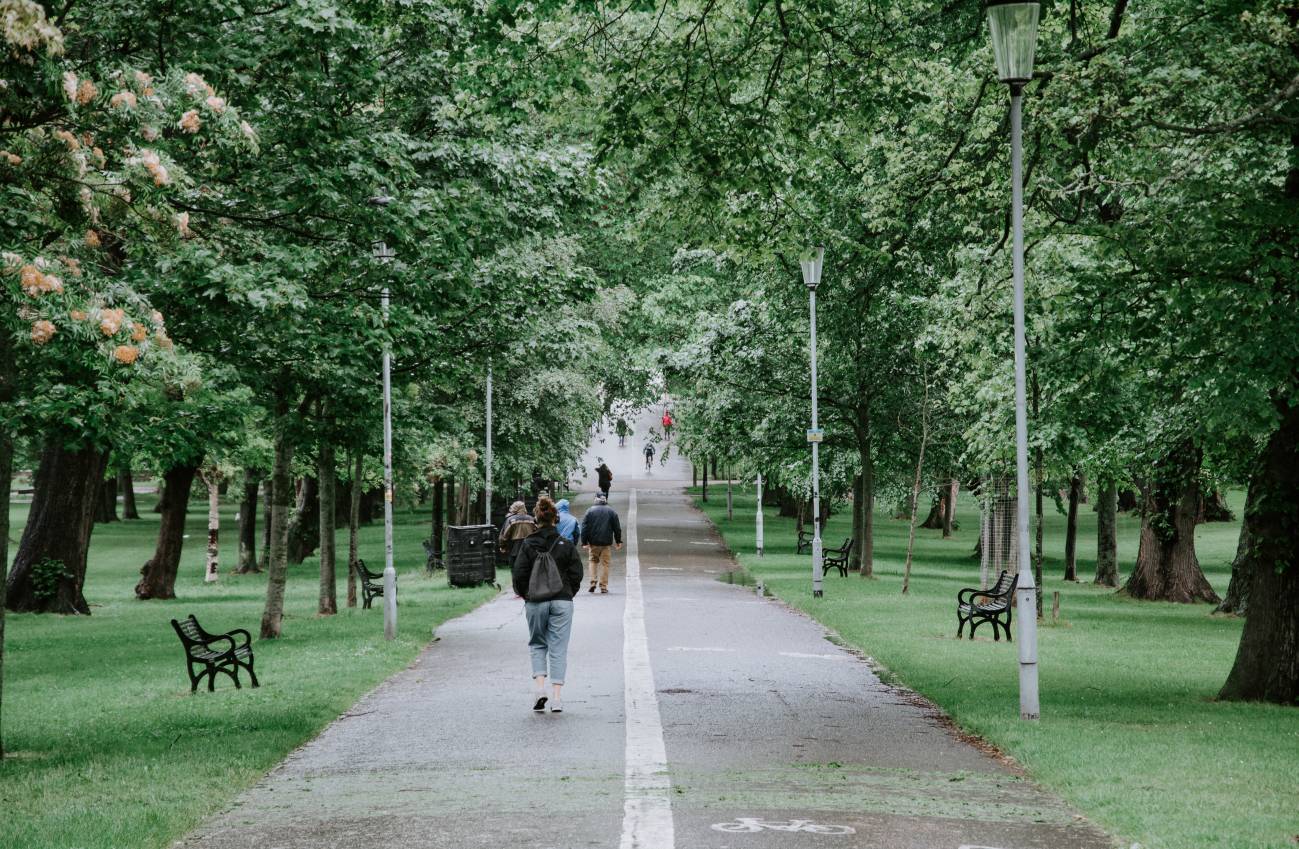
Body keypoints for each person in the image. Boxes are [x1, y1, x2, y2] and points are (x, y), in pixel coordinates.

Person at [512, 495, 584, 713]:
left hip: (536, 602)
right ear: (556, 519)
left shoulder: (527, 544)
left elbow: (519, 574)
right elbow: (577, 573)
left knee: (537, 643)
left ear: (536, 518)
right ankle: (557, 698)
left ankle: (540, 689)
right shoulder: (565, 544)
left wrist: (526, 595)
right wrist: (568, 593)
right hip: (562, 600)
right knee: (558, 648)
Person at [580, 492, 623, 594]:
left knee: (593, 561)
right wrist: (618, 540)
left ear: (596, 499)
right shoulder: (611, 511)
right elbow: (617, 528)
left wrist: (584, 542)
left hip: (593, 543)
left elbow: (584, 528)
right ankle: (603, 586)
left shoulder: (589, 511)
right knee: (605, 564)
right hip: (606, 543)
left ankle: (593, 582)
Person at [498, 500, 537, 565]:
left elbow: (504, 535)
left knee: (515, 570)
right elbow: (537, 533)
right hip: (530, 550)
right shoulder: (531, 519)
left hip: (515, 550)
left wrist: (503, 546)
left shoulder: (510, 520)